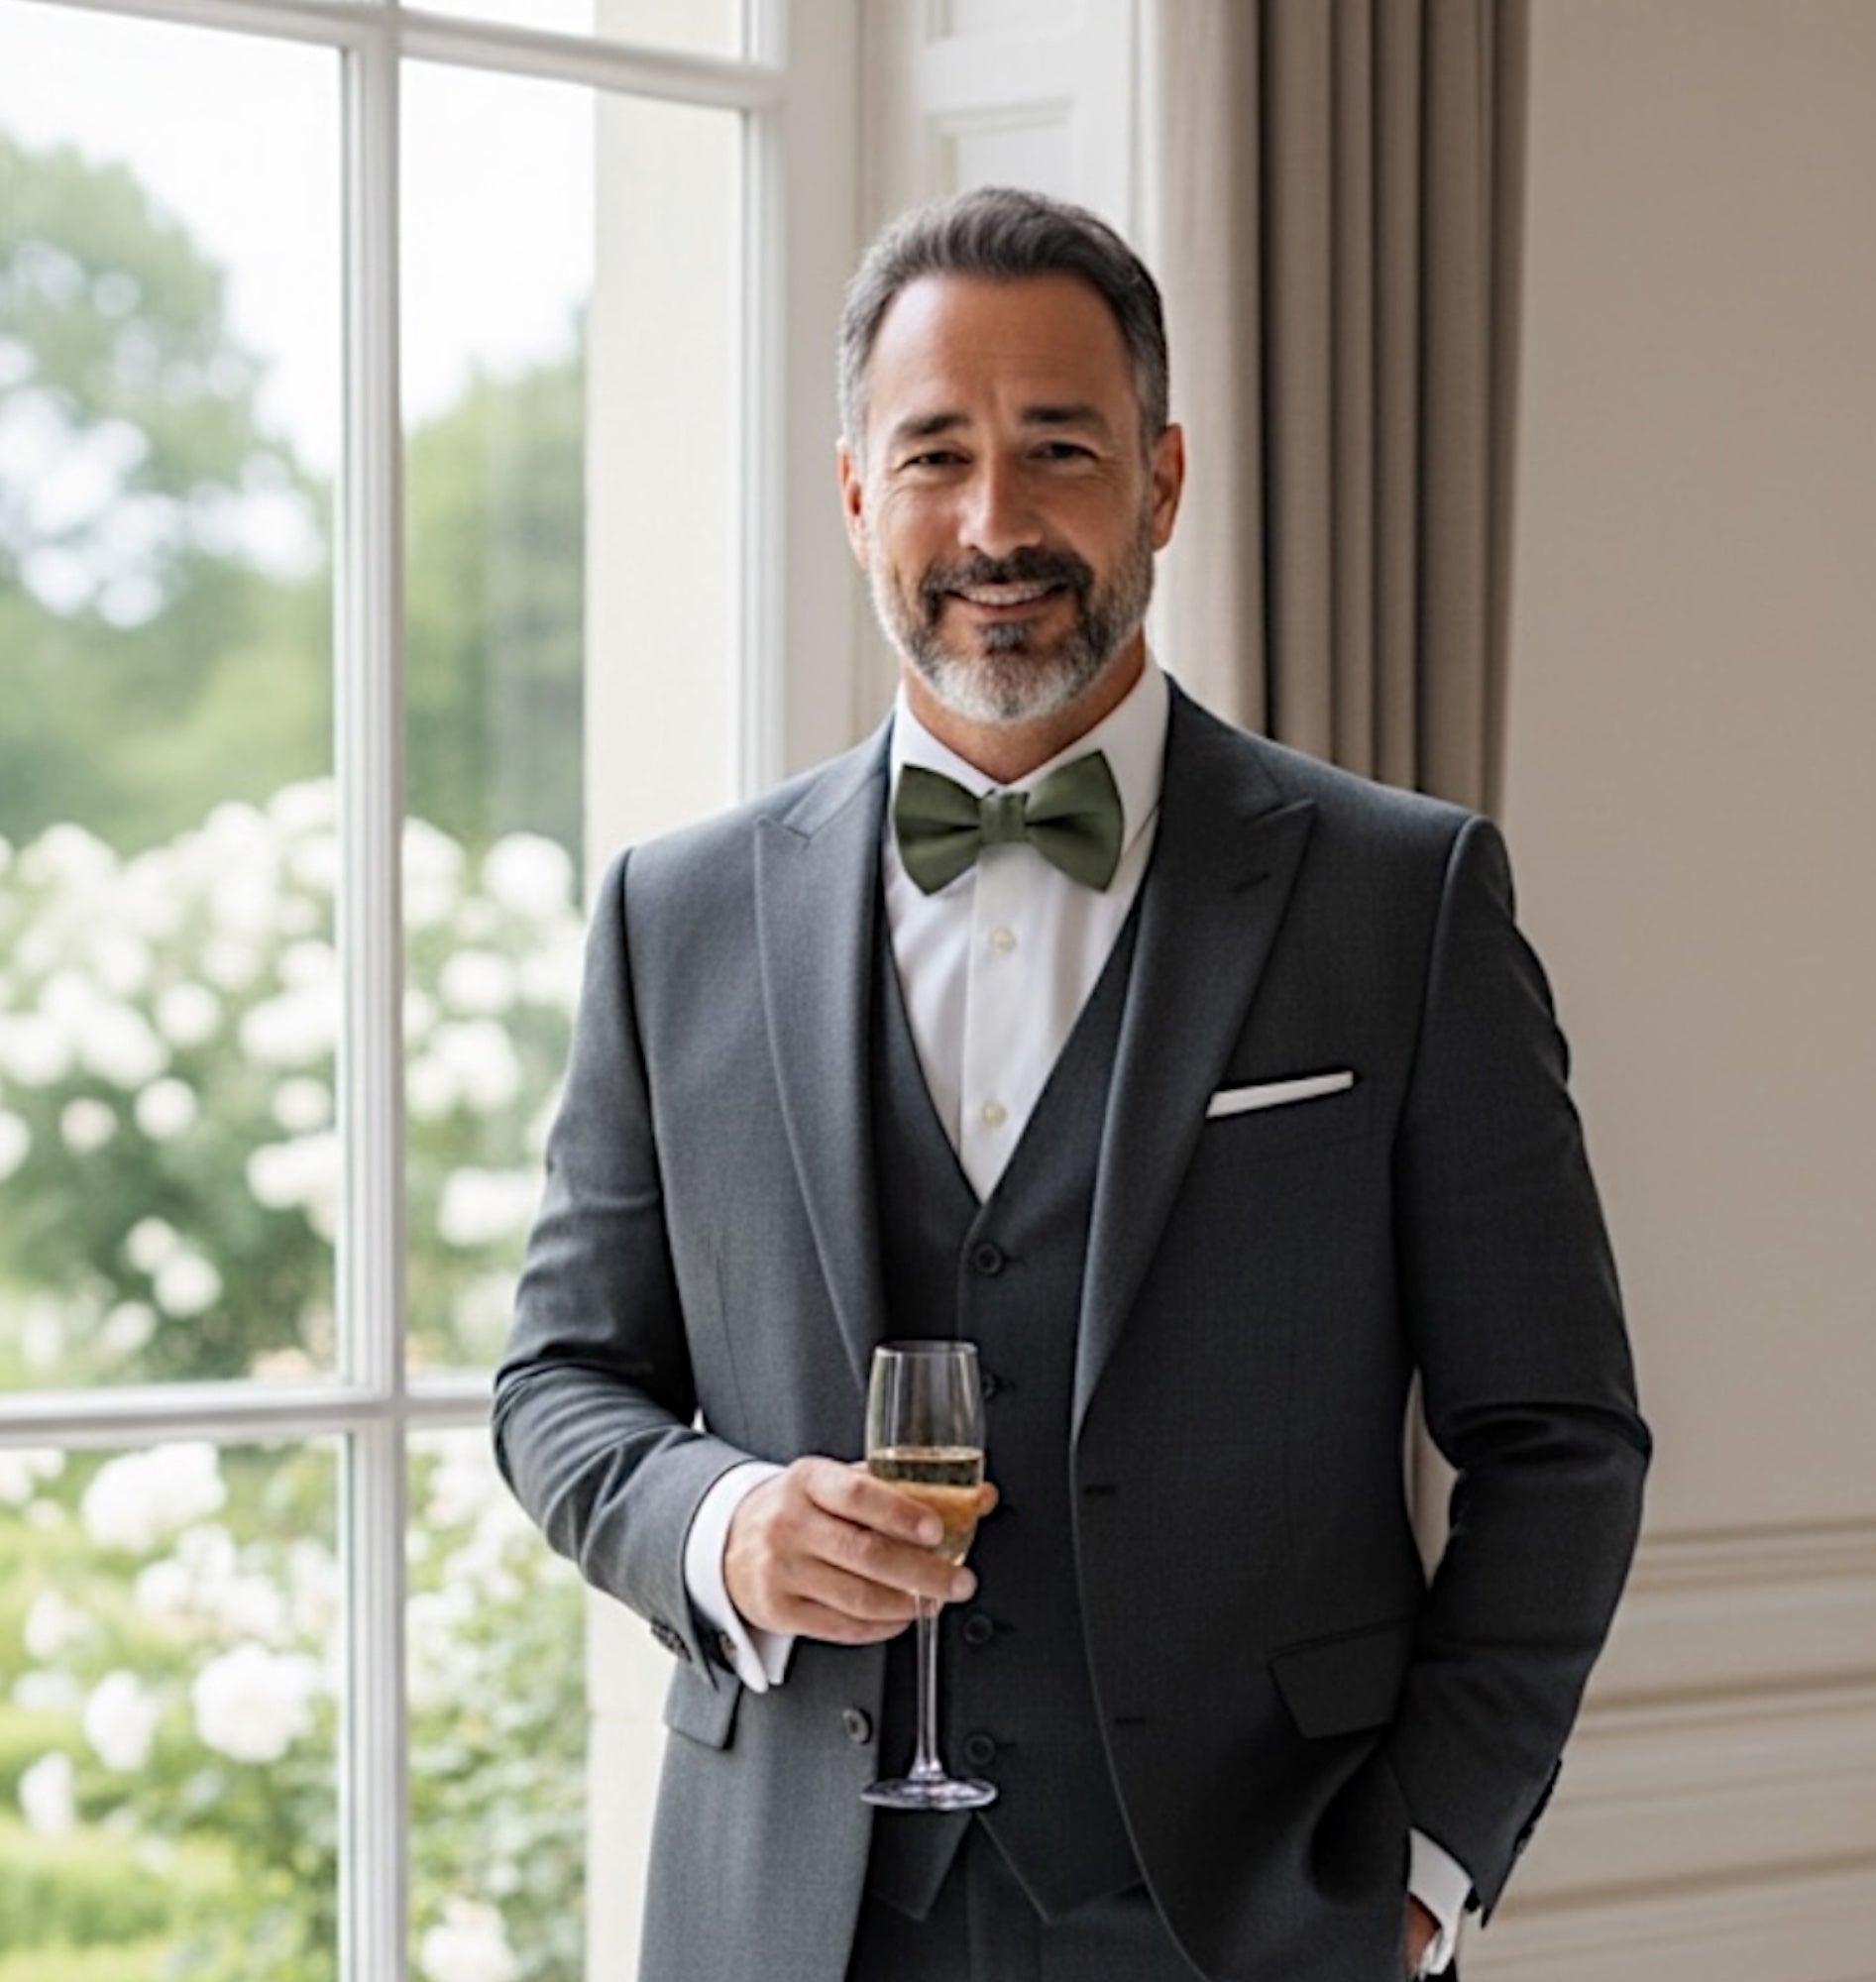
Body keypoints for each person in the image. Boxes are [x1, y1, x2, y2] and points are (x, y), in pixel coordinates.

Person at [494, 185, 1649, 1982]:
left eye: (1060, 449)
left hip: (1249, 1918)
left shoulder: (1396, 899)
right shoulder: (678, 915)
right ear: (855, 494)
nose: (995, 521)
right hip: (784, 1919)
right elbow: (562, 1381)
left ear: (1163, 482)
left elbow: (1559, 1440)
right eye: (936, 453)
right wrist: (720, 1528)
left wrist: (1420, 1864)